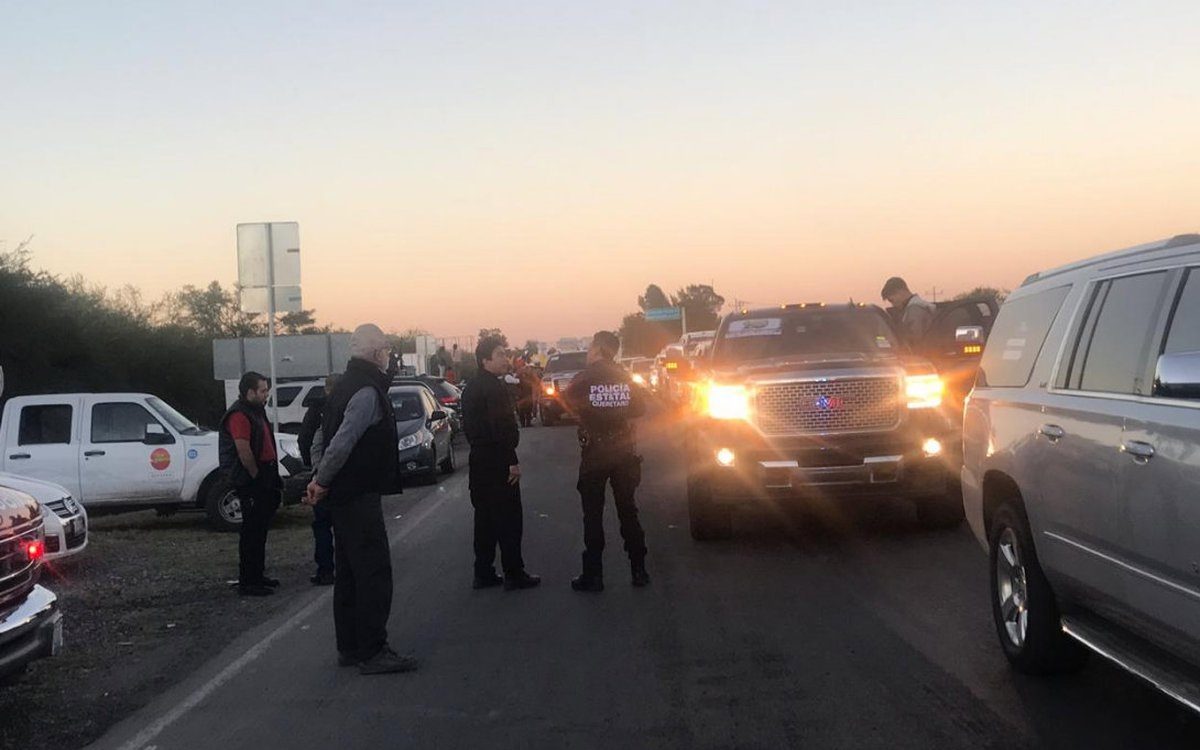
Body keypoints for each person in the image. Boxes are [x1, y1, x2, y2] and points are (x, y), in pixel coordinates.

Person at [304, 324, 416, 675]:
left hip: (342, 495)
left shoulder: (344, 386)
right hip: (358, 495)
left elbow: (322, 436)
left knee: (350, 574)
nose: (388, 355)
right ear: (376, 352)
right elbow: (344, 441)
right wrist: (322, 480)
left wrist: (319, 477)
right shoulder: (366, 391)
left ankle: (350, 646)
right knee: (372, 573)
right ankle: (373, 649)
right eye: (386, 349)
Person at [564, 331, 649, 592]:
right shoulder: (625, 376)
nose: (588, 352)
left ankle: (594, 575)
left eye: (591, 347)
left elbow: (563, 403)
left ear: (598, 348)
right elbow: (639, 408)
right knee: (628, 510)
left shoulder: (585, 378)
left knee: (593, 514)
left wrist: (590, 408)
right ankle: (639, 570)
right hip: (623, 451)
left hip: (595, 453)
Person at [462, 337, 541, 592]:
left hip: (478, 462)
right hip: (497, 461)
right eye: (499, 354)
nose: (505, 359)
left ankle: (483, 572)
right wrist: (511, 461)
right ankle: (514, 573)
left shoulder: (471, 387)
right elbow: (501, 428)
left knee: (484, 520)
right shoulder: (494, 389)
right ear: (485, 360)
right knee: (509, 520)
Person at [218, 372, 282, 597]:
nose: (266, 395)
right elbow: (243, 449)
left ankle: (258, 574)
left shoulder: (256, 411)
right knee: (251, 531)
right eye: (262, 391)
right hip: (250, 479)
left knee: (260, 528)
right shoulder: (239, 414)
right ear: (250, 392)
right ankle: (249, 580)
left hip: (265, 473)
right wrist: (255, 476)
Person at [298, 374, 339, 586]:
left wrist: (313, 469)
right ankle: (347, 568)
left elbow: (304, 439)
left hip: (320, 473)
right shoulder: (347, 407)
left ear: (326, 389)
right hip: (342, 476)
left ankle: (325, 570)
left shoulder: (317, 409)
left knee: (322, 524)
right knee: (343, 524)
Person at [881, 277, 937, 346]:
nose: (893, 304)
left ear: (900, 292)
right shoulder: (917, 306)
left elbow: (914, 341)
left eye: (891, 300)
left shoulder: (915, 309)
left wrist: (885, 343)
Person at [514, 359, 540, 428]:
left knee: (528, 409)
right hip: (521, 395)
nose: (523, 368)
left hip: (528, 394)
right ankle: (523, 423)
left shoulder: (529, 375)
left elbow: (536, 381)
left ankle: (528, 423)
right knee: (522, 410)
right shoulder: (518, 375)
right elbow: (515, 384)